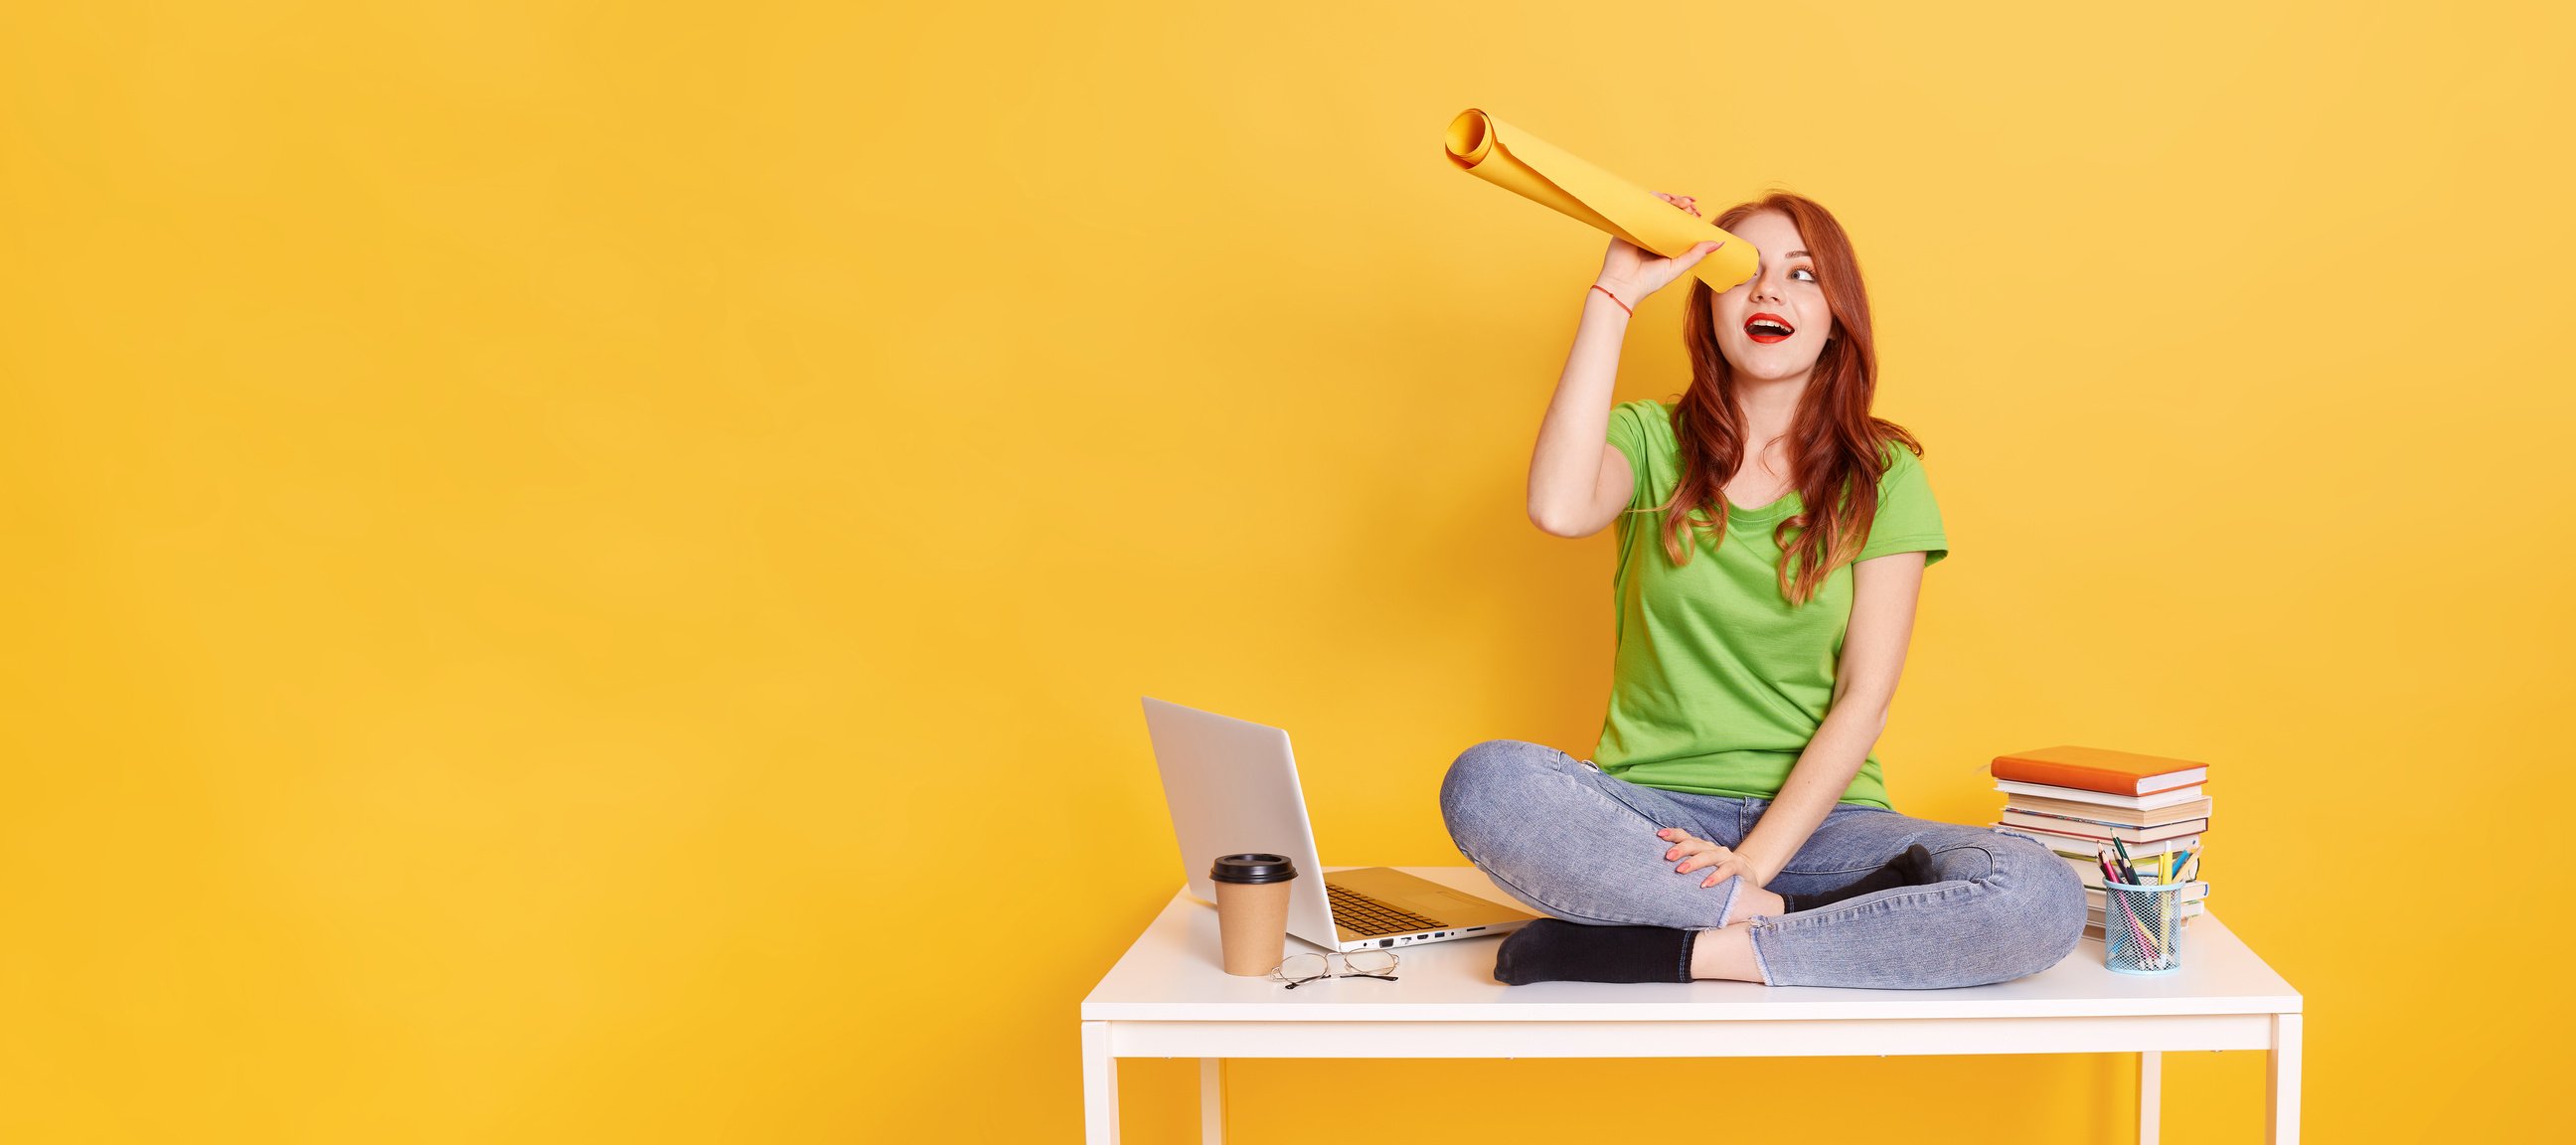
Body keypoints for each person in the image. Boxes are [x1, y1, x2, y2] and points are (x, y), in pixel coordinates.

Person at [1438, 191, 2086, 989]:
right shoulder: (1649, 441)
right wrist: (1612, 297)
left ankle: (1666, 951)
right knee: (1487, 782)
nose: (1769, 291)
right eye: (1744, 271)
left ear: (1837, 315)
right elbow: (1557, 506)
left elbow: (1864, 699)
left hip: (1827, 830)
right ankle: (1794, 929)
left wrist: (1752, 862)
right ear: (1709, 305)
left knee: (2039, 892)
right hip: (1651, 823)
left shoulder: (1884, 477)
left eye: (1803, 275)